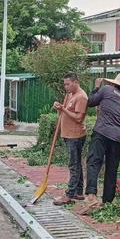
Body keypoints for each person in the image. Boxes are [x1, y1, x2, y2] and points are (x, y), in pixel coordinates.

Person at [79, 73, 120, 214]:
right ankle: (108, 201)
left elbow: (91, 102)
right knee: (112, 168)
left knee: (93, 162)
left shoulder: (106, 90)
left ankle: (91, 196)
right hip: (117, 137)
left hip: (102, 132)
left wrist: (96, 87)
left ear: (113, 83)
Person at [52, 73, 88, 206]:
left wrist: (63, 109)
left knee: (73, 165)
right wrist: (59, 107)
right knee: (76, 163)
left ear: (75, 82)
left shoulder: (81, 97)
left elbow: (79, 118)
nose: (65, 87)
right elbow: (65, 111)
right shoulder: (70, 95)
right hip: (68, 134)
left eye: (68, 84)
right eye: (64, 84)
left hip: (75, 136)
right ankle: (78, 192)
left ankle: (69, 195)